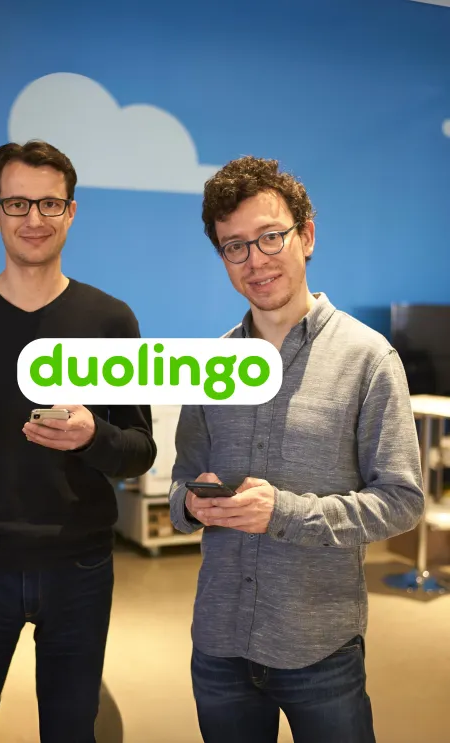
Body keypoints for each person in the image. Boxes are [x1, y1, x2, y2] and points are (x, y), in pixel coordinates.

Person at [0, 139, 157, 743]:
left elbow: (140, 449)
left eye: (50, 204)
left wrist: (92, 436)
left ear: (71, 212)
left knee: (71, 731)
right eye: (18, 204)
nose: (34, 219)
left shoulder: (111, 321)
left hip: (81, 570)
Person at [169, 155, 424, 743]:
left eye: (270, 237)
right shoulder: (210, 366)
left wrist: (282, 512)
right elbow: (182, 484)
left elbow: (402, 500)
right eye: (234, 247)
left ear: (305, 236)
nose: (255, 260)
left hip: (320, 648)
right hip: (219, 645)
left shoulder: (369, 358)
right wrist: (193, 504)